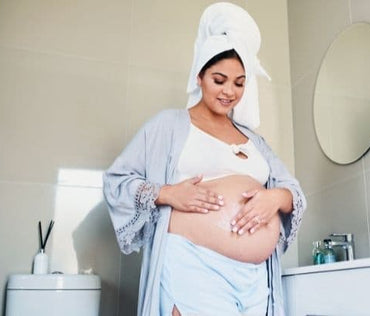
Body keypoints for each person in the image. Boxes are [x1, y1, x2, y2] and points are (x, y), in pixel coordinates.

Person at [103, 2, 306, 315]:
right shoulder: (168, 125)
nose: (229, 92)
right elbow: (117, 181)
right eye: (219, 79)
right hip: (191, 266)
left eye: (239, 83)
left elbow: (292, 190)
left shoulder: (254, 140)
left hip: (255, 277)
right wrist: (168, 193)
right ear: (199, 76)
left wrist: (276, 198)